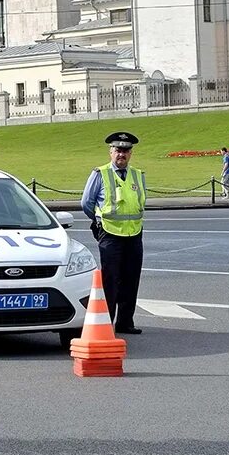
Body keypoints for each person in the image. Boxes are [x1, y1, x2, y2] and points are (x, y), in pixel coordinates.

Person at [81, 131, 147, 335]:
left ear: (131, 153)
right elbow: (86, 203)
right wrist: (98, 221)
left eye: (126, 150)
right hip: (110, 234)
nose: (122, 154)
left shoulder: (138, 175)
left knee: (131, 279)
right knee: (111, 280)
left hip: (134, 234)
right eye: (118, 150)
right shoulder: (100, 174)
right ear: (111, 152)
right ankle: (106, 321)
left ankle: (125, 322)